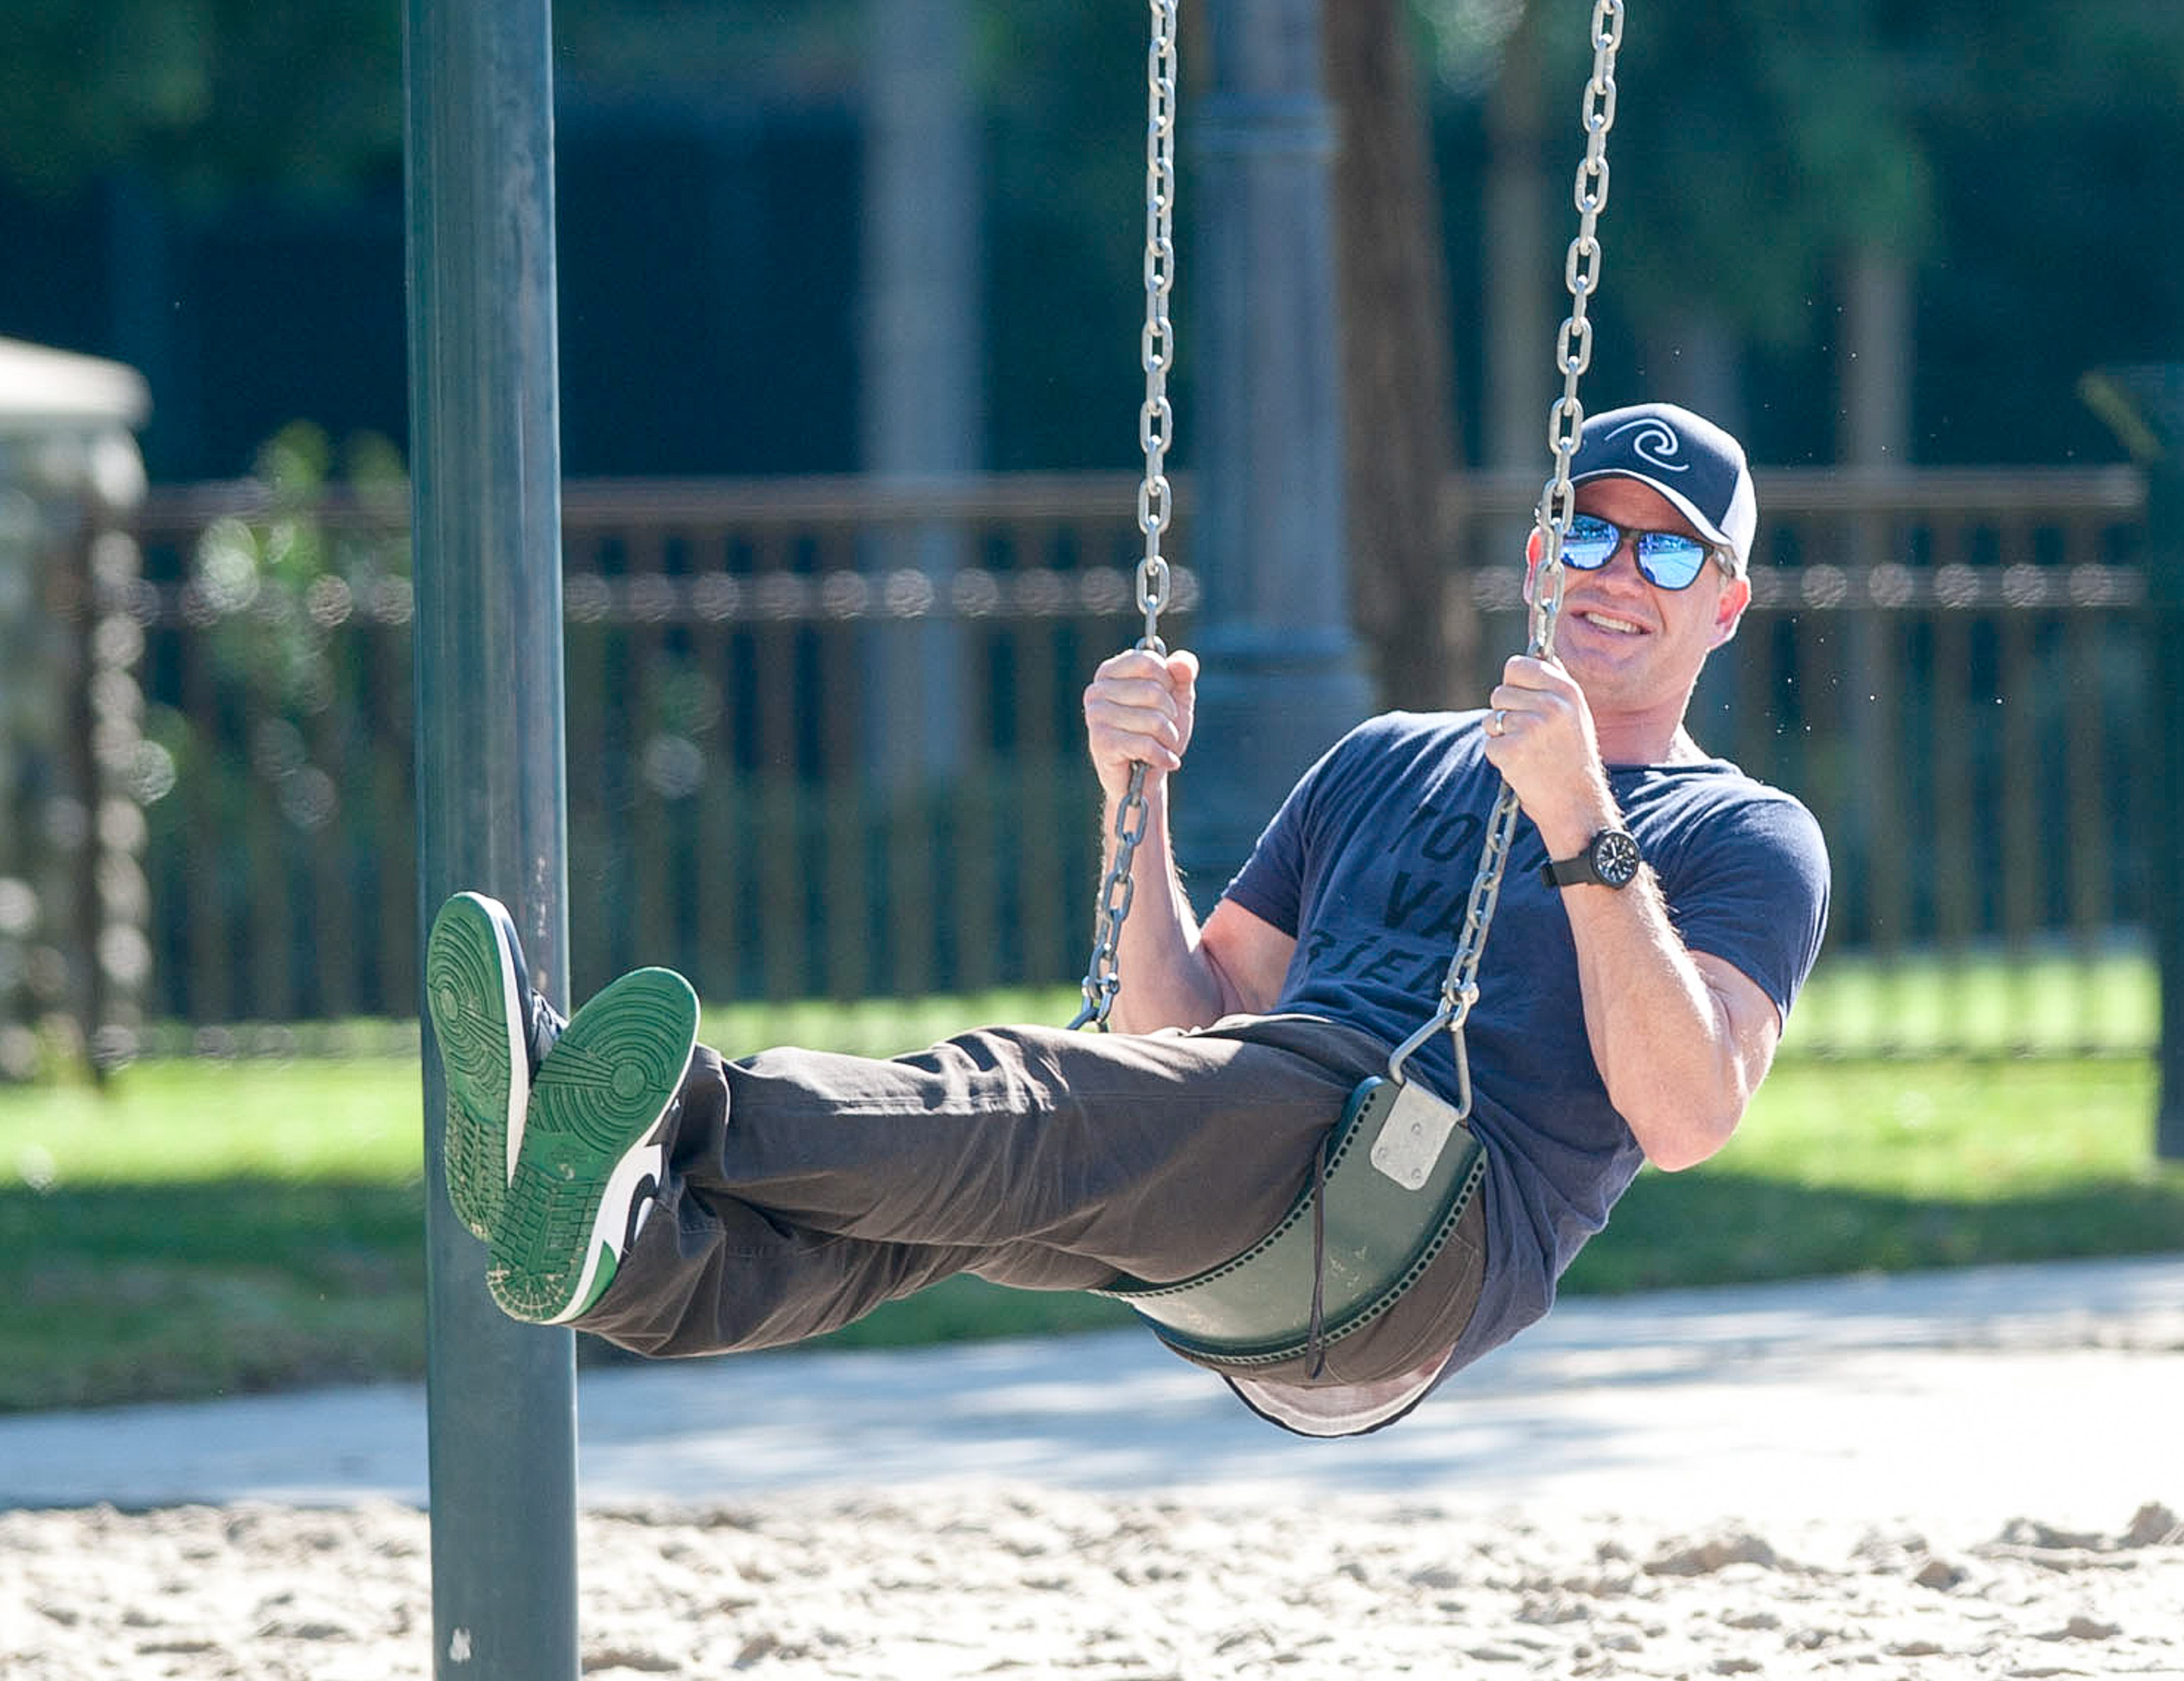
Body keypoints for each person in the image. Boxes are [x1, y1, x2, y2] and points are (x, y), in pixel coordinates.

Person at [426, 402, 1829, 1438]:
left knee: (1025, 1099)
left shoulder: (1743, 835)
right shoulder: (1386, 758)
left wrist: (1579, 814)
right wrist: (1132, 799)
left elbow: (1686, 1116)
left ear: (1724, 607)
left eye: (1666, 554)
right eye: (1589, 531)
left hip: (1420, 1224)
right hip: (1268, 1163)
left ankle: (653, 1112)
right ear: (1537, 555)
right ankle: (625, 1260)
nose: (1615, 572)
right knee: (958, 1193)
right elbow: (1175, 1030)